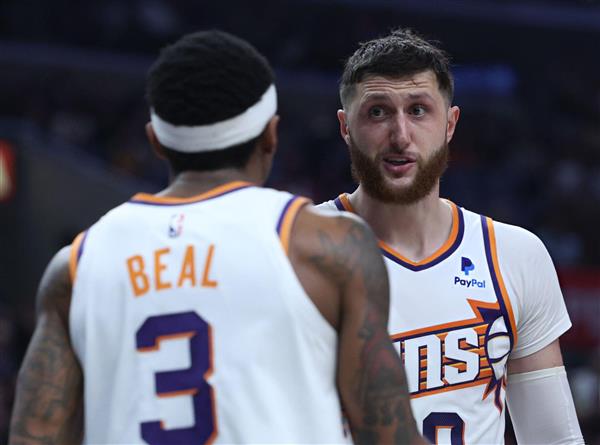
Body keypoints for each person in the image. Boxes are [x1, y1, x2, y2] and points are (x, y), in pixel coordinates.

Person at [9, 30, 424, 445]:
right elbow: (388, 437)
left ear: (155, 141)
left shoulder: (76, 267)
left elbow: (34, 436)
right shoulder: (326, 245)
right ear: (271, 136)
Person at [320, 29, 584, 444]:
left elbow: (552, 438)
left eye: (418, 110)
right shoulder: (293, 251)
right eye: (377, 112)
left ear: (450, 123)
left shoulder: (514, 255)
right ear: (345, 127)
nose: (400, 135)